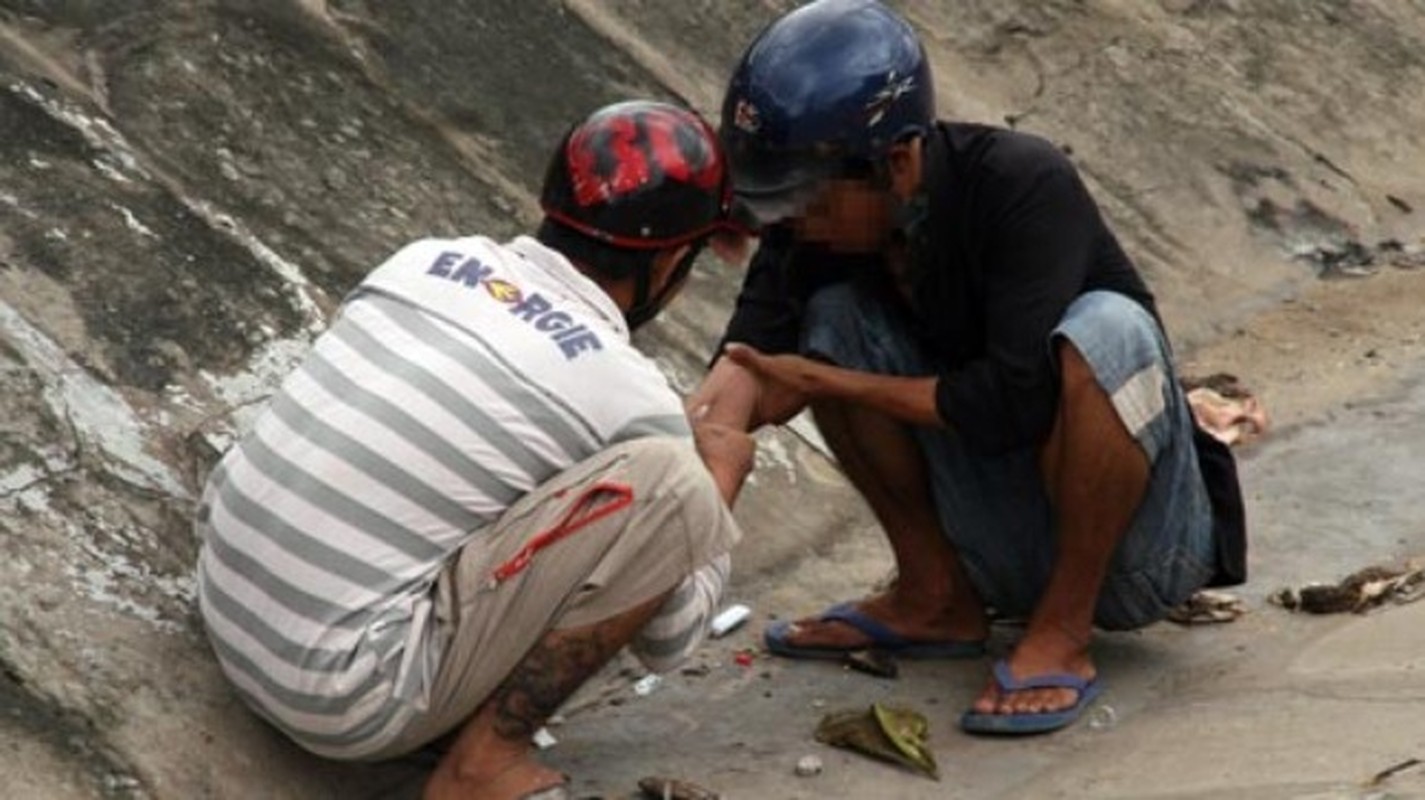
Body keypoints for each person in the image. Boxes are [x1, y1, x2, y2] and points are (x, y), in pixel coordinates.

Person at [688, 0, 1245, 735]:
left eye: (805, 199)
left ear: (897, 160)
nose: (789, 222)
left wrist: (825, 383)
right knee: (828, 322)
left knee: (1109, 330)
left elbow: (1010, 400)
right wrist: (681, 478)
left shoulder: (1021, 183)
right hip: (997, 544)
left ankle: (1063, 627)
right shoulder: (812, 231)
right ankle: (935, 597)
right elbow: (749, 366)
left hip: (1137, 554)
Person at [195, 100, 754, 800]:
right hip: (343, 699)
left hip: (224, 603)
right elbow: (672, 637)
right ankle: (482, 768)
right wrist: (721, 475)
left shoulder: (425, 260)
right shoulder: (627, 390)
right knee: (674, 485)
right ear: (673, 259)